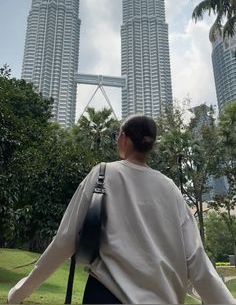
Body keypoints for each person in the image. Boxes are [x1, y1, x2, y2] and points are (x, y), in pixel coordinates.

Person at [8, 115, 236, 304]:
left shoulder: (103, 173)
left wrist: (19, 292)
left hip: (106, 296)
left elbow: (66, 239)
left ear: (124, 138)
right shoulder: (170, 188)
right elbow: (197, 261)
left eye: (117, 134)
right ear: (152, 145)